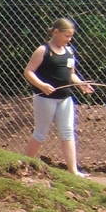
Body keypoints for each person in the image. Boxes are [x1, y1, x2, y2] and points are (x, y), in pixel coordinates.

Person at [22, 18, 94, 176]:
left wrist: (81, 84)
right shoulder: (43, 50)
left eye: (70, 36)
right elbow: (28, 71)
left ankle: (73, 170)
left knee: (67, 132)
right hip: (45, 98)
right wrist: (42, 85)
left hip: (65, 99)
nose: (69, 39)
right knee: (41, 133)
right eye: (66, 36)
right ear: (56, 32)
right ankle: (24, 165)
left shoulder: (69, 51)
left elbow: (71, 74)